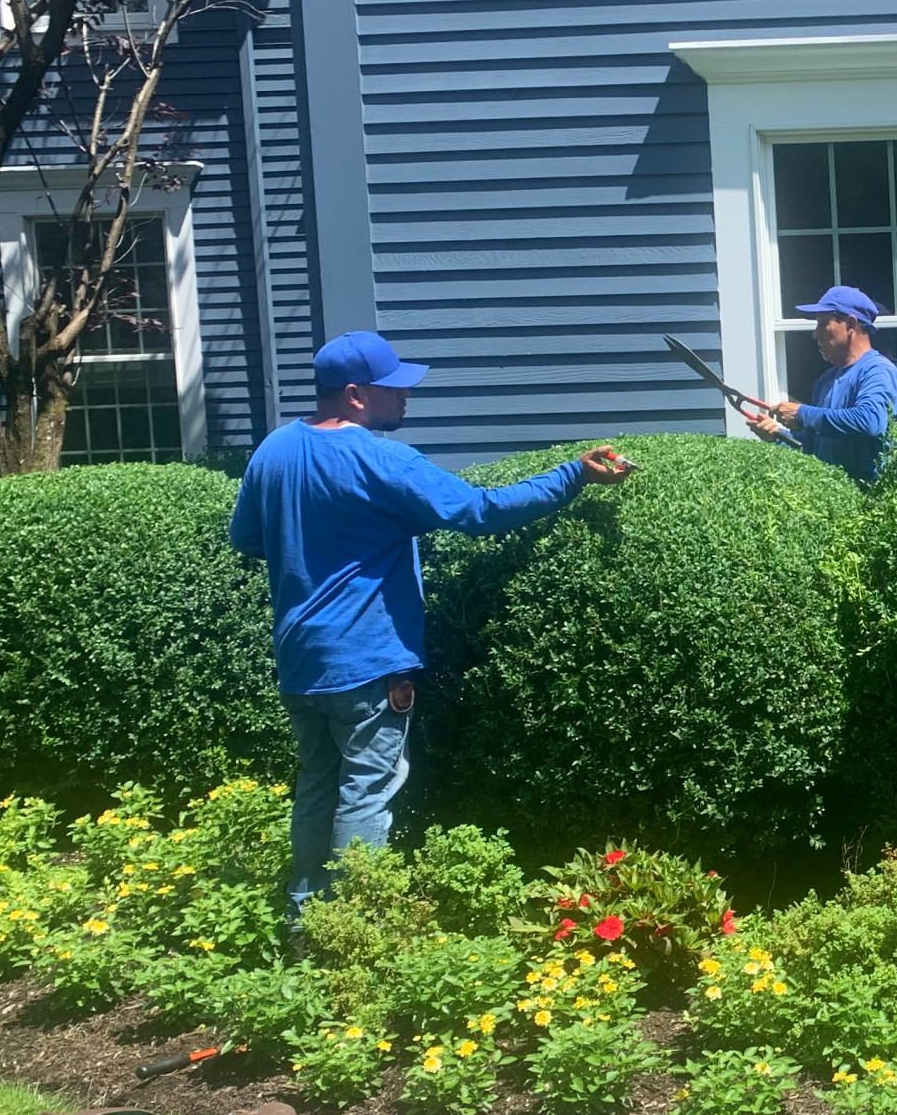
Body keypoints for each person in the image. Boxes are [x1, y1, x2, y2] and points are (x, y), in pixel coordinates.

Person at [229, 330, 630, 925]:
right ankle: (353, 929)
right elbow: (480, 511)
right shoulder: (382, 459)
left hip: (300, 657)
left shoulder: (274, 450)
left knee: (317, 782)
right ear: (356, 396)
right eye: (395, 389)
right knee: (367, 789)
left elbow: (247, 539)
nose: (406, 398)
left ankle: (302, 919)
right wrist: (572, 476)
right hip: (367, 658)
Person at [745, 283, 897, 482]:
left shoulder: (877, 370)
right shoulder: (825, 382)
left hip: (871, 502)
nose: (815, 334)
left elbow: (870, 422)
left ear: (850, 324)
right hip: (832, 502)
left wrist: (803, 413)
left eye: (823, 323)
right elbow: (812, 447)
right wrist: (777, 435)